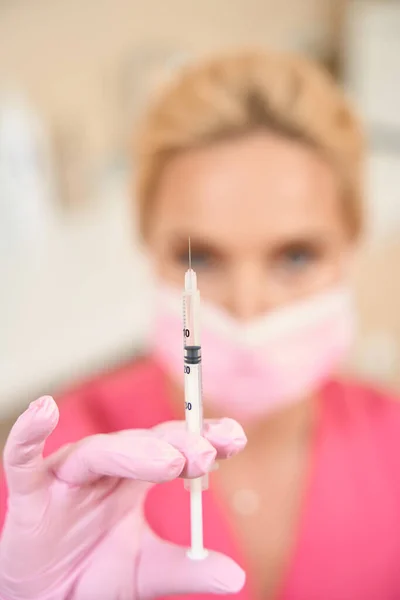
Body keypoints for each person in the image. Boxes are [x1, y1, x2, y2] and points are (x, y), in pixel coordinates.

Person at [1, 47, 400, 600]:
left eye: (297, 255)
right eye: (201, 258)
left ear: (351, 246)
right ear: (149, 248)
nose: (247, 304)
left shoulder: (392, 442)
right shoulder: (60, 476)